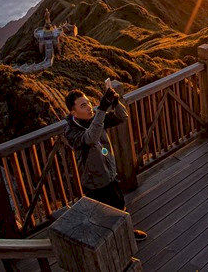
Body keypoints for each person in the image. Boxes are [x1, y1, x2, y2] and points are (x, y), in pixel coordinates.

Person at [63, 79, 147, 241]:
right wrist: (101, 108)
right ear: (73, 113)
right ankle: (111, 245)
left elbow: (122, 117)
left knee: (120, 206)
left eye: (88, 103)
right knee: (101, 219)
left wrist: (115, 102)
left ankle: (128, 233)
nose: (89, 108)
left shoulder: (95, 119)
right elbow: (90, 138)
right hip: (94, 183)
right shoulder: (71, 131)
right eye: (83, 106)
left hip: (110, 174)